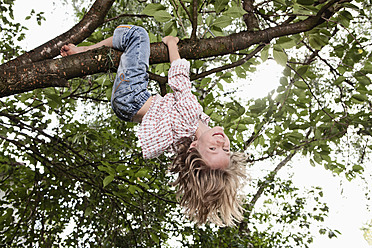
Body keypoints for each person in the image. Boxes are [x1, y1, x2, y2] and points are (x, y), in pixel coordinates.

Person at [61, 25, 247, 226]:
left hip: (132, 96)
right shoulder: (193, 130)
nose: (221, 142)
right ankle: (87, 54)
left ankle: (82, 51)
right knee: (132, 52)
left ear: (194, 148)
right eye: (226, 149)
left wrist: (171, 44)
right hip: (129, 106)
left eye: (213, 148)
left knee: (137, 35)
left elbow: (179, 79)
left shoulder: (191, 118)